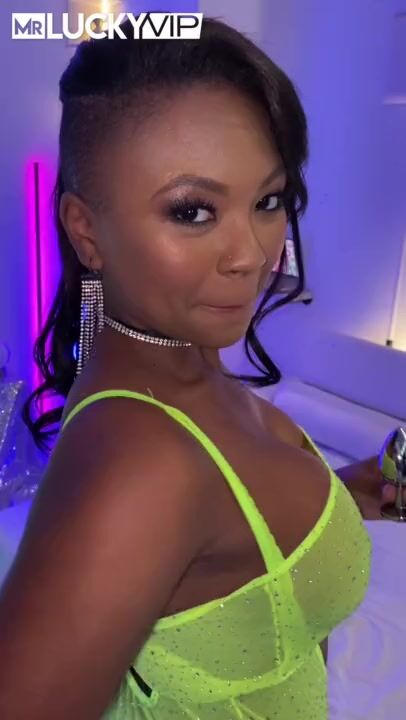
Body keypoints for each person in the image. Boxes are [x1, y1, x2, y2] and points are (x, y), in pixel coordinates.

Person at [0, 16, 376, 720]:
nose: (252, 255)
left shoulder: (181, 366)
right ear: (86, 232)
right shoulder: (141, 464)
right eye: (194, 211)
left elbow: (222, 542)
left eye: (267, 201)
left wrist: (341, 494)